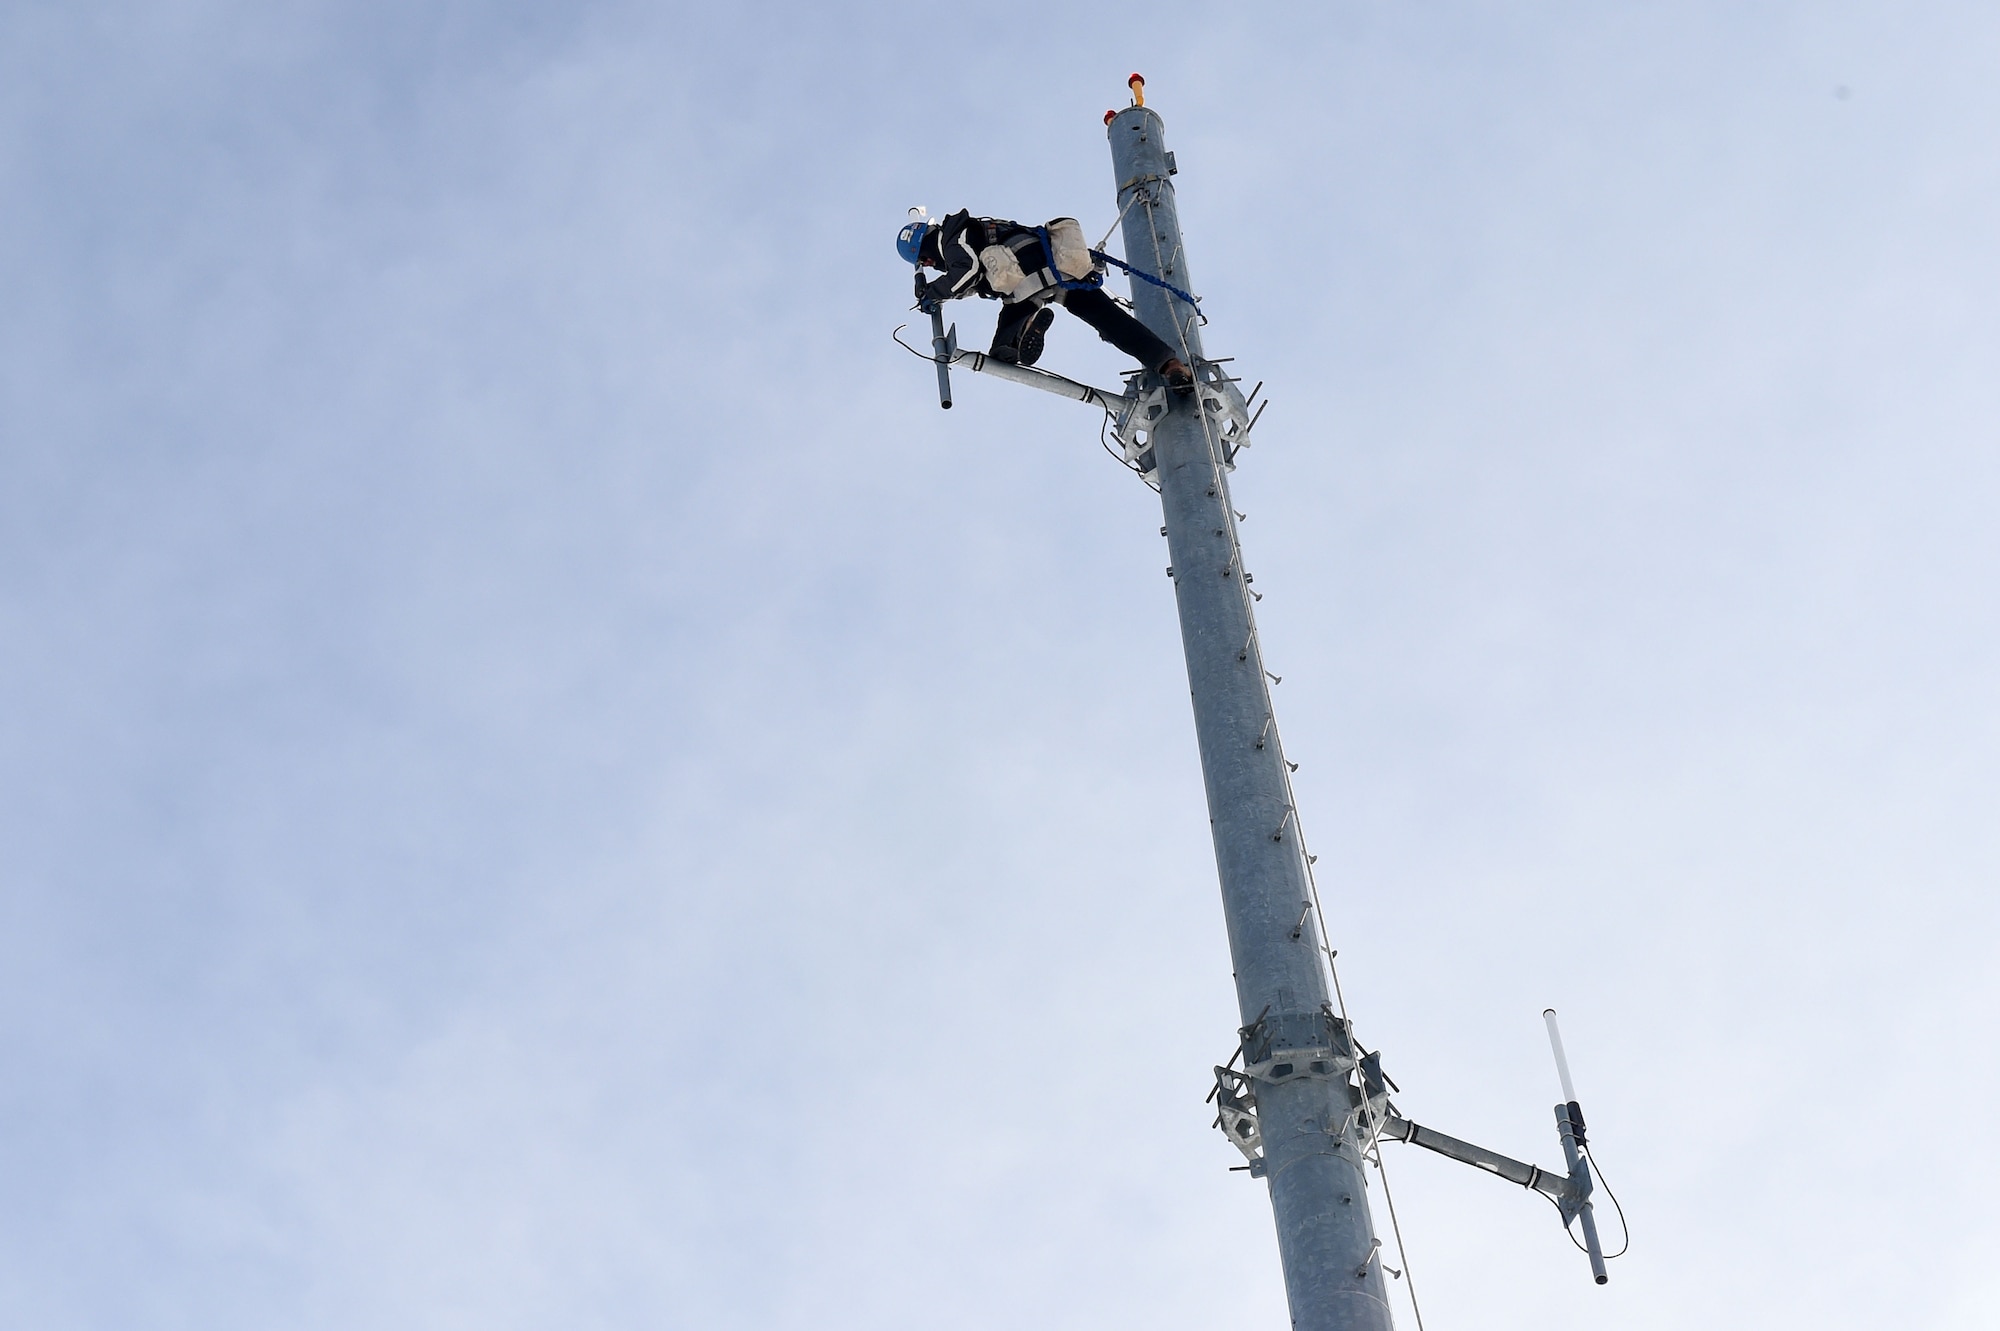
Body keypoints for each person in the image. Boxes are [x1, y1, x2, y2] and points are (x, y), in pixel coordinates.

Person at [899, 211, 1194, 391]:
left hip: (1028, 276)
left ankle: (1024, 329)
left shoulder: (952, 238)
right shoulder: (966, 235)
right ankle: (1170, 365)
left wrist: (932, 293)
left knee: (1003, 346)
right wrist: (941, 293)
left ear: (925, 254)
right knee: (1113, 323)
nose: (933, 266)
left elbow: (968, 272)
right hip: (1058, 274)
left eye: (928, 263)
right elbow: (972, 282)